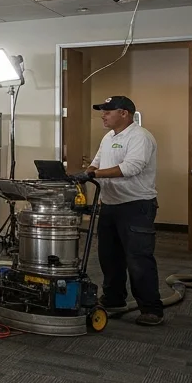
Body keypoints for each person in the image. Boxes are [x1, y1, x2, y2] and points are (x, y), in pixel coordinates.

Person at [73, 95, 163, 326]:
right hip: (110, 205)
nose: (103, 115)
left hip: (136, 206)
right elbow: (96, 162)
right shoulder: (108, 137)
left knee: (138, 259)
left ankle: (151, 309)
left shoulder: (140, 137)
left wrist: (93, 175)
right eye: (103, 111)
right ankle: (114, 299)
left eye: (108, 111)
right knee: (109, 257)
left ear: (124, 113)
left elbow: (131, 168)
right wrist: (88, 171)